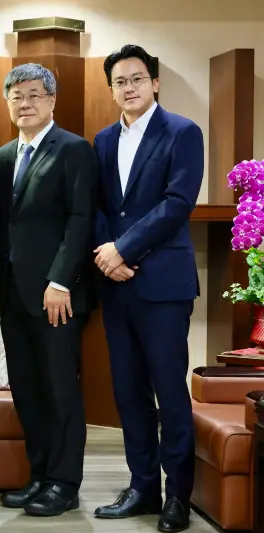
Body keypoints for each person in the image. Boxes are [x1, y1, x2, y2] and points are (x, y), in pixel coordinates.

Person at [92, 44, 202, 533]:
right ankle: (142, 489)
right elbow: (98, 206)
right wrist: (106, 255)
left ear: (155, 83)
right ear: (111, 89)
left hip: (163, 284)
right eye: (120, 81)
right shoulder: (102, 140)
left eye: (137, 78)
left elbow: (178, 202)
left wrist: (123, 249)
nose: (129, 88)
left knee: (169, 392)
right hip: (117, 286)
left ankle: (178, 496)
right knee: (129, 392)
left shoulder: (182, 131)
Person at [0, 63, 97, 517]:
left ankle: (64, 483)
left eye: (34, 94)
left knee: (59, 390)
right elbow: (2, 227)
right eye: (17, 96)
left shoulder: (73, 149)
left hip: (58, 295)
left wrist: (59, 280)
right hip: (13, 295)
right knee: (27, 388)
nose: (25, 103)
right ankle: (39, 475)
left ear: (52, 100)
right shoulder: (3, 157)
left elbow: (81, 220)